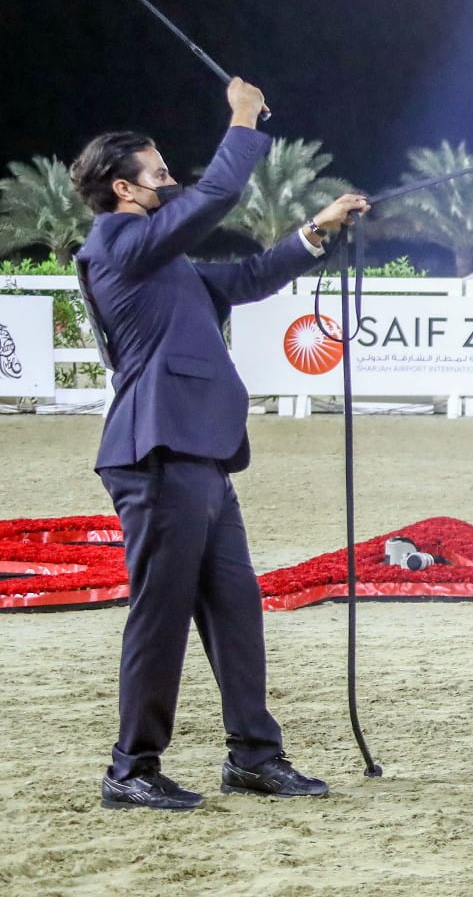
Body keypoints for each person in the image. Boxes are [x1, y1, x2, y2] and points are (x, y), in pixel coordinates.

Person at [72, 78, 370, 810]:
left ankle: (254, 757)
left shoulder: (162, 262)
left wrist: (317, 228)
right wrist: (241, 122)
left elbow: (247, 277)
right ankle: (131, 768)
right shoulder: (117, 242)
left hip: (197, 454)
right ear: (124, 189)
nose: (172, 183)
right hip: (158, 453)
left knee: (235, 609)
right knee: (161, 614)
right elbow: (212, 199)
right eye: (160, 174)